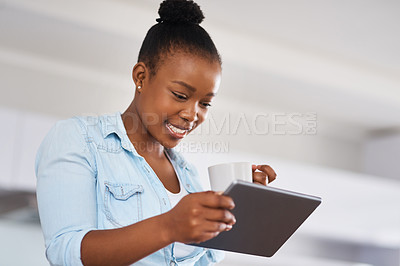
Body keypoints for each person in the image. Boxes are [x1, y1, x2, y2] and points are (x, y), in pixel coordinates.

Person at [35, 0, 277, 265]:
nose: (192, 114)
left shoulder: (188, 176)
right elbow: (64, 252)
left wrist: (235, 209)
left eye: (205, 103)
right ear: (141, 77)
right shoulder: (79, 139)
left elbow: (207, 260)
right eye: (180, 95)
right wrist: (168, 226)